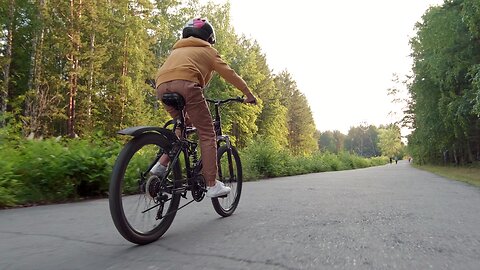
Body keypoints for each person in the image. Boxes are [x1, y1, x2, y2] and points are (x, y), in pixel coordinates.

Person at [151, 18, 257, 198]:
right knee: (207, 133)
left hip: (161, 87)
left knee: (181, 126)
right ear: (208, 38)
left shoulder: (177, 50)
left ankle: (161, 165)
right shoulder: (208, 51)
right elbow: (231, 75)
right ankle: (211, 184)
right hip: (187, 85)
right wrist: (249, 94)